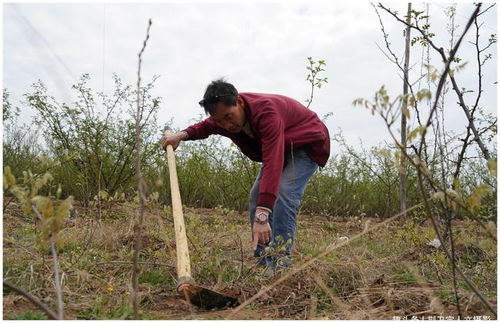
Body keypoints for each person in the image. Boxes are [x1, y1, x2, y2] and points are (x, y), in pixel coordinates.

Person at [162, 79, 330, 271]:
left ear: (239, 102)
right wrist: (180, 135)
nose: (226, 125)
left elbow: (273, 162)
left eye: (229, 116)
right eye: (220, 121)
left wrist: (262, 216)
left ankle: (280, 264)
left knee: (284, 192)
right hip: (282, 147)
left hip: (307, 145)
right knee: (256, 196)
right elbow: (205, 127)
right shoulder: (222, 118)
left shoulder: (266, 113)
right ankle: (263, 263)